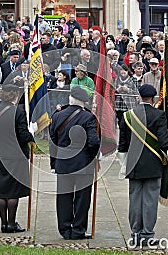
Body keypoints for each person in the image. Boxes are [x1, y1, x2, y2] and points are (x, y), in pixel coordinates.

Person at [118, 84, 168, 247]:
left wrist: (123, 165)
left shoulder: (127, 116)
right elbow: (163, 142)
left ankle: (135, 234)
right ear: (153, 99)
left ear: (139, 97)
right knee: (150, 200)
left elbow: (122, 145)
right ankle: (147, 234)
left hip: (133, 164)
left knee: (134, 200)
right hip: (152, 164)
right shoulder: (159, 115)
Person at [49, 86, 100, 239]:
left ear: (70, 99)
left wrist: (54, 163)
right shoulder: (88, 117)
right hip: (83, 163)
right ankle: (78, 230)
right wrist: (93, 158)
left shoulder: (57, 116)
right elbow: (94, 142)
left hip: (63, 162)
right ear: (84, 102)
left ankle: (64, 229)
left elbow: (52, 143)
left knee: (63, 197)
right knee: (82, 198)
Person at [0, 83, 34, 233]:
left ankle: (3, 223)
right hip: (16, 155)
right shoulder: (18, 112)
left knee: (2, 190)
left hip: (0, 155)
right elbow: (23, 136)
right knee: (13, 191)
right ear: (14, 95)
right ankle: (11, 224)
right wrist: (32, 131)